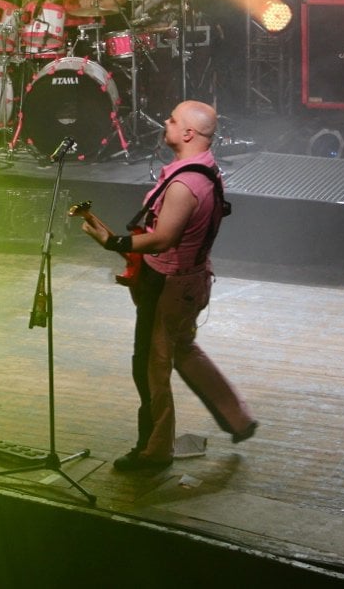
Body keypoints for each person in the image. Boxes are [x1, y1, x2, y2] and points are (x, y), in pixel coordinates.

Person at [79, 100, 256, 471]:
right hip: (191, 281)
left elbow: (163, 239)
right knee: (183, 349)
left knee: (150, 369)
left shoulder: (184, 185)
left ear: (188, 133)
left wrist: (113, 242)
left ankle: (155, 450)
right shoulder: (206, 170)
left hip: (170, 287)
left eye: (173, 120)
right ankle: (237, 418)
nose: (165, 121)